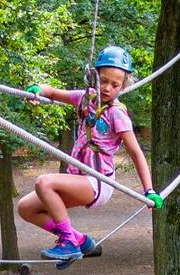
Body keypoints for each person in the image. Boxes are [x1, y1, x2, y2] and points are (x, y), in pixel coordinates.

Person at [21, 46, 158, 262]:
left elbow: (136, 153)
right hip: (79, 178)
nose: (107, 88)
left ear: (123, 86)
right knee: (26, 208)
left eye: (115, 85)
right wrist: (38, 90)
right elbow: (54, 92)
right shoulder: (85, 99)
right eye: (103, 81)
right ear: (95, 77)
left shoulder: (117, 114)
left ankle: (68, 243)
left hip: (98, 181)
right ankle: (80, 241)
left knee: (43, 182)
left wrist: (149, 190)